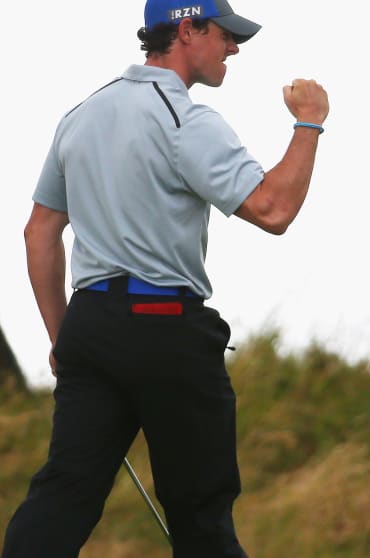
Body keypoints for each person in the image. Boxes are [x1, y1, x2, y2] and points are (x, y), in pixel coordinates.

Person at [3, 0, 329, 555]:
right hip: (166, 329)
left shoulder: (80, 114)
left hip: (91, 327)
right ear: (186, 29)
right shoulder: (187, 119)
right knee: (200, 512)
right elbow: (273, 210)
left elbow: (40, 233)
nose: (234, 47)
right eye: (225, 34)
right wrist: (309, 123)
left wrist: (64, 340)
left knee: (61, 498)